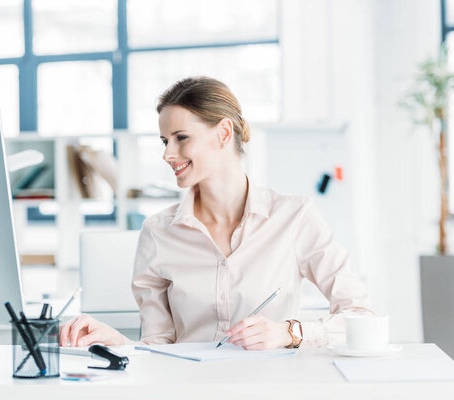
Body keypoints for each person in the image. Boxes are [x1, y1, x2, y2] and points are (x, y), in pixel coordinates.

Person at [59, 76, 374, 350]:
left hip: (270, 385)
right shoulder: (158, 232)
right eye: (165, 141)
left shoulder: (294, 216)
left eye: (181, 138)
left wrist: (289, 332)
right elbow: (158, 347)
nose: (168, 154)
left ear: (223, 133)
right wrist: (120, 343)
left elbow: (360, 315)